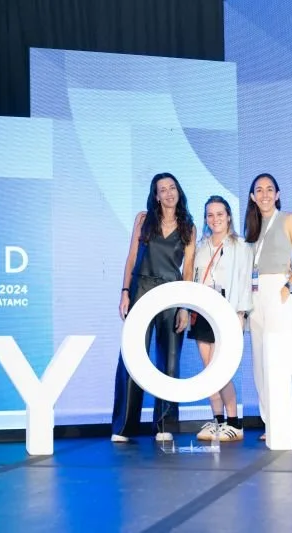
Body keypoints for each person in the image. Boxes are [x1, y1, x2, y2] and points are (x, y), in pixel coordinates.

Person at [111, 172, 196, 443]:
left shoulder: (189, 228)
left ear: (178, 192)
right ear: (156, 195)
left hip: (172, 295)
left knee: (169, 360)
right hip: (141, 290)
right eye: (163, 189)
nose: (169, 193)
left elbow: (189, 271)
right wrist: (125, 292)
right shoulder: (143, 220)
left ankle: (164, 425)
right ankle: (124, 427)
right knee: (132, 359)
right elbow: (131, 257)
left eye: (173, 187)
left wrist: (184, 306)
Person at [245, 173, 292, 442]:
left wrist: (288, 288)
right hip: (255, 296)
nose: (264, 194)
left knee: (279, 360)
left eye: (269, 189)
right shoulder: (252, 226)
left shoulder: (289, 220)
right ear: (252, 196)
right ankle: (273, 423)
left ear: (278, 194)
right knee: (260, 363)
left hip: (279, 293)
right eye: (259, 190)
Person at [188, 196, 253, 442]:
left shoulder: (241, 246)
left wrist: (240, 315)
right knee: (208, 371)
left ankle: (235, 422)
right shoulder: (201, 246)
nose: (215, 219)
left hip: (227, 311)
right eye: (210, 215)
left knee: (221, 370)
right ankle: (218, 421)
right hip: (203, 312)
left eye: (219, 214)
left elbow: (245, 283)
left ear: (228, 216)